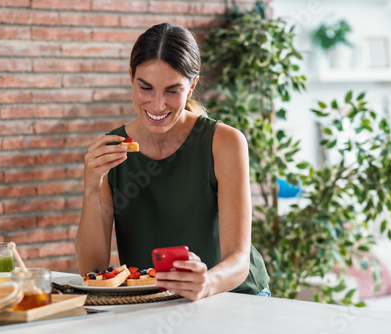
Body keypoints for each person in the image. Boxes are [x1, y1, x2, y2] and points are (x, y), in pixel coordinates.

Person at [75, 23, 270, 300]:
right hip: (157, 300)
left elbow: (238, 259)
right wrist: (92, 186)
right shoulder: (112, 150)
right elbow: (92, 271)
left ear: (191, 86)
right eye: (146, 88)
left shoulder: (224, 142)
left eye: (172, 91)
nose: (157, 105)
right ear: (131, 78)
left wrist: (207, 284)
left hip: (234, 295)